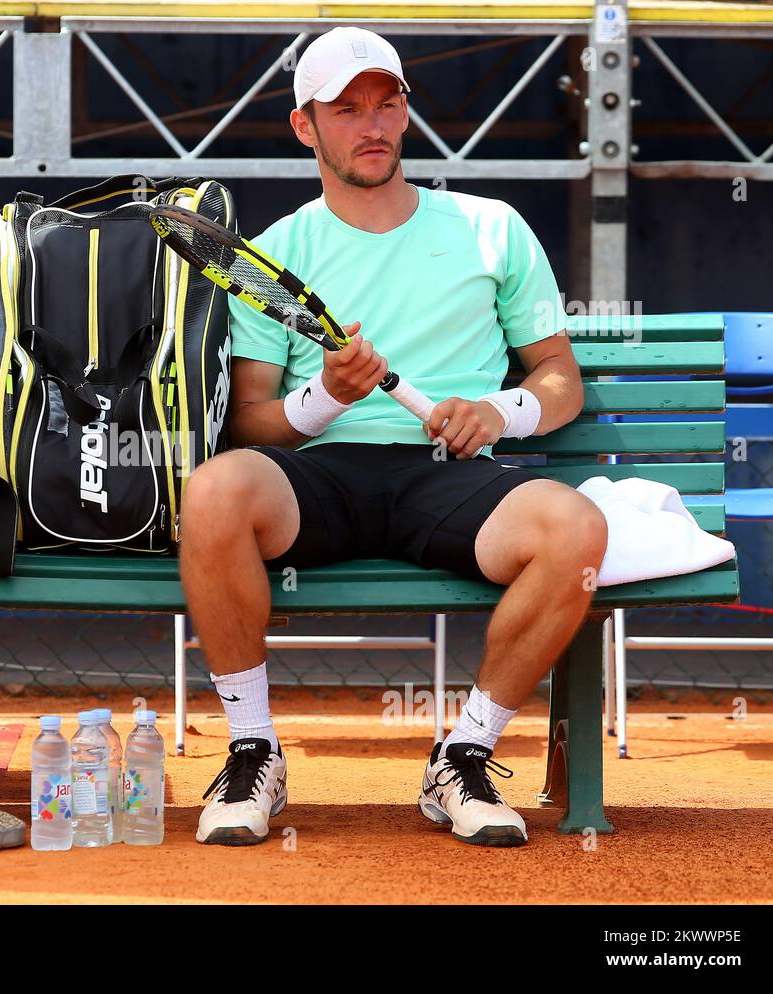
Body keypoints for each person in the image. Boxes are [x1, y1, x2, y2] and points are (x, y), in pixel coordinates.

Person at [181, 26, 607, 848]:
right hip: (320, 475)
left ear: (407, 111)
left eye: (387, 103)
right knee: (213, 491)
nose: (372, 125)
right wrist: (325, 398)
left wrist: (499, 411)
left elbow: (559, 376)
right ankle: (253, 750)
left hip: (452, 475)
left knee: (577, 528)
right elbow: (250, 420)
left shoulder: (494, 229)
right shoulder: (275, 252)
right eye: (346, 110)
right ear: (306, 126)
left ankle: (465, 754)